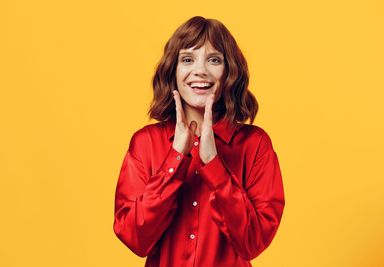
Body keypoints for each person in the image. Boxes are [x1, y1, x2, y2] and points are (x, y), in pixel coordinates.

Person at [113, 16, 285, 267]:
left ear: (230, 72)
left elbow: (253, 242)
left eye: (214, 60)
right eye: (187, 59)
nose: (200, 70)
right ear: (173, 70)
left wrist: (214, 164)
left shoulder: (256, 145)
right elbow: (135, 238)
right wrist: (175, 158)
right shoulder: (144, 143)